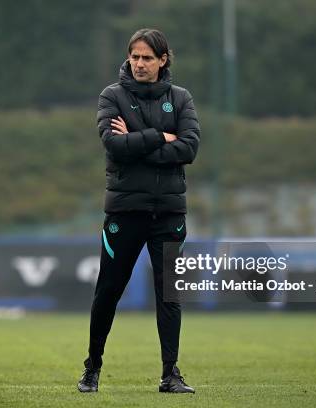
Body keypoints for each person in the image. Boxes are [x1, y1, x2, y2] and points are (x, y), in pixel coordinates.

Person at [77, 28, 200, 393]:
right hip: (125, 212)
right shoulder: (111, 96)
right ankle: (92, 367)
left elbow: (190, 148)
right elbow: (114, 145)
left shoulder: (180, 99)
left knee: (169, 295)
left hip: (168, 214)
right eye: (135, 56)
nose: (140, 63)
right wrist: (161, 136)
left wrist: (137, 138)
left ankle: (170, 374)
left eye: (148, 57)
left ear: (163, 60)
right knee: (109, 291)